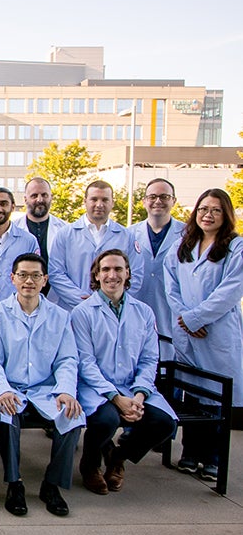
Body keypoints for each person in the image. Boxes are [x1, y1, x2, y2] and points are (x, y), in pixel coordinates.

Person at [0, 253, 83, 517]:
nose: (29, 281)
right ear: (12, 278)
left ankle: (52, 485)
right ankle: (15, 484)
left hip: (45, 389)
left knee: (72, 416)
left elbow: (68, 359)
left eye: (35, 275)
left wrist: (65, 391)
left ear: (45, 280)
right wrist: (2, 389)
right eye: (23, 275)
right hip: (10, 386)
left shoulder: (60, 316)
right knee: (6, 414)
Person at [72, 250, 177, 495]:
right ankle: (90, 465)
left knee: (165, 423)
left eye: (118, 269)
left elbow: (150, 358)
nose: (112, 275)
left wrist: (139, 395)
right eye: (105, 270)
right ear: (96, 275)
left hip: (133, 386)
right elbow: (85, 363)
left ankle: (118, 456)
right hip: (96, 387)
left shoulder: (144, 312)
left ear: (127, 273)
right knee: (106, 419)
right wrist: (116, 398)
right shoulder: (83, 313)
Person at [164, 188, 243, 481]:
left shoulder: (236, 247)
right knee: (193, 396)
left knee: (216, 399)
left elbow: (230, 290)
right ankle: (190, 453)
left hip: (216, 331)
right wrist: (185, 317)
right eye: (203, 209)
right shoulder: (182, 245)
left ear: (226, 215)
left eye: (215, 210)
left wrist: (198, 317)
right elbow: (170, 286)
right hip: (187, 329)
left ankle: (213, 458)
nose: (207, 215)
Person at [49, 180, 145, 311]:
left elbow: (136, 275)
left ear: (112, 203)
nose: (99, 205)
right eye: (94, 199)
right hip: (72, 309)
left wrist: (112, 299)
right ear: (85, 201)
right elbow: (56, 273)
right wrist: (82, 299)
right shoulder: (65, 234)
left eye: (105, 200)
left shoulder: (126, 236)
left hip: (113, 310)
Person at [129, 178, 185, 358]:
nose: (158, 201)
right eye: (152, 196)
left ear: (173, 201)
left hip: (172, 314)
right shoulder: (128, 234)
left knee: (171, 373)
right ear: (144, 201)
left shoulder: (188, 234)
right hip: (136, 313)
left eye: (164, 196)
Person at [12, 177, 69, 298]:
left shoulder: (66, 230)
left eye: (44, 195)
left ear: (51, 197)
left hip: (57, 298)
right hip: (22, 298)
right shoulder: (13, 229)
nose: (40, 200)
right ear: (25, 199)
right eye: (34, 196)